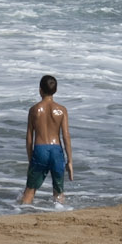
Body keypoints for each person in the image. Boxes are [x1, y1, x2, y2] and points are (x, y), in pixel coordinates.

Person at [19, 74, 72, 205]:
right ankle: (60, 212)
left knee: (30, 190)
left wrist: (30, 158)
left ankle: (21, 212)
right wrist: (69, 161)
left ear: (40, 90)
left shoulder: (34, 110)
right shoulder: (62, 110)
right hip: (56, 151)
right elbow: (66, 136)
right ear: (56, 90)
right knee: (58, 191)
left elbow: (29, 137)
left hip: (40, 149)